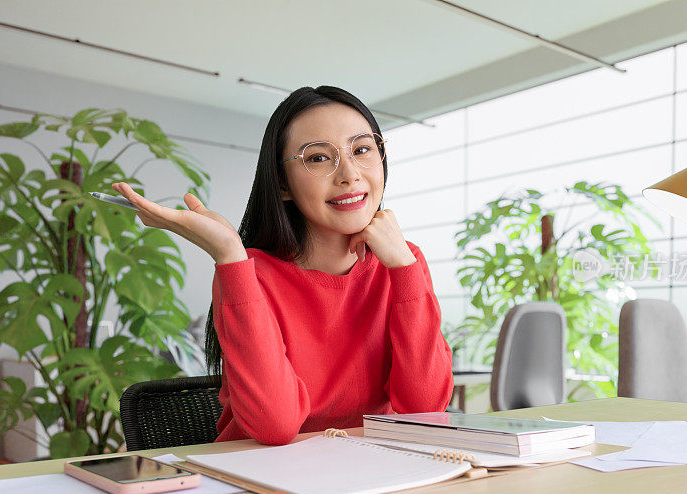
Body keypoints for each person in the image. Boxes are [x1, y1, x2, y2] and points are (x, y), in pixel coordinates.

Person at [113, 86, 454, 445]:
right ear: (282, 183)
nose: (350, 174)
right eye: (319, 158)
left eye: (362, 149)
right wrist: (231, 255)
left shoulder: (403, 261)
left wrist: (404, 267)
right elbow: (274, 428)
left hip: (372, 477)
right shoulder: (249, 273)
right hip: (259, 482)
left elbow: (425, 409)